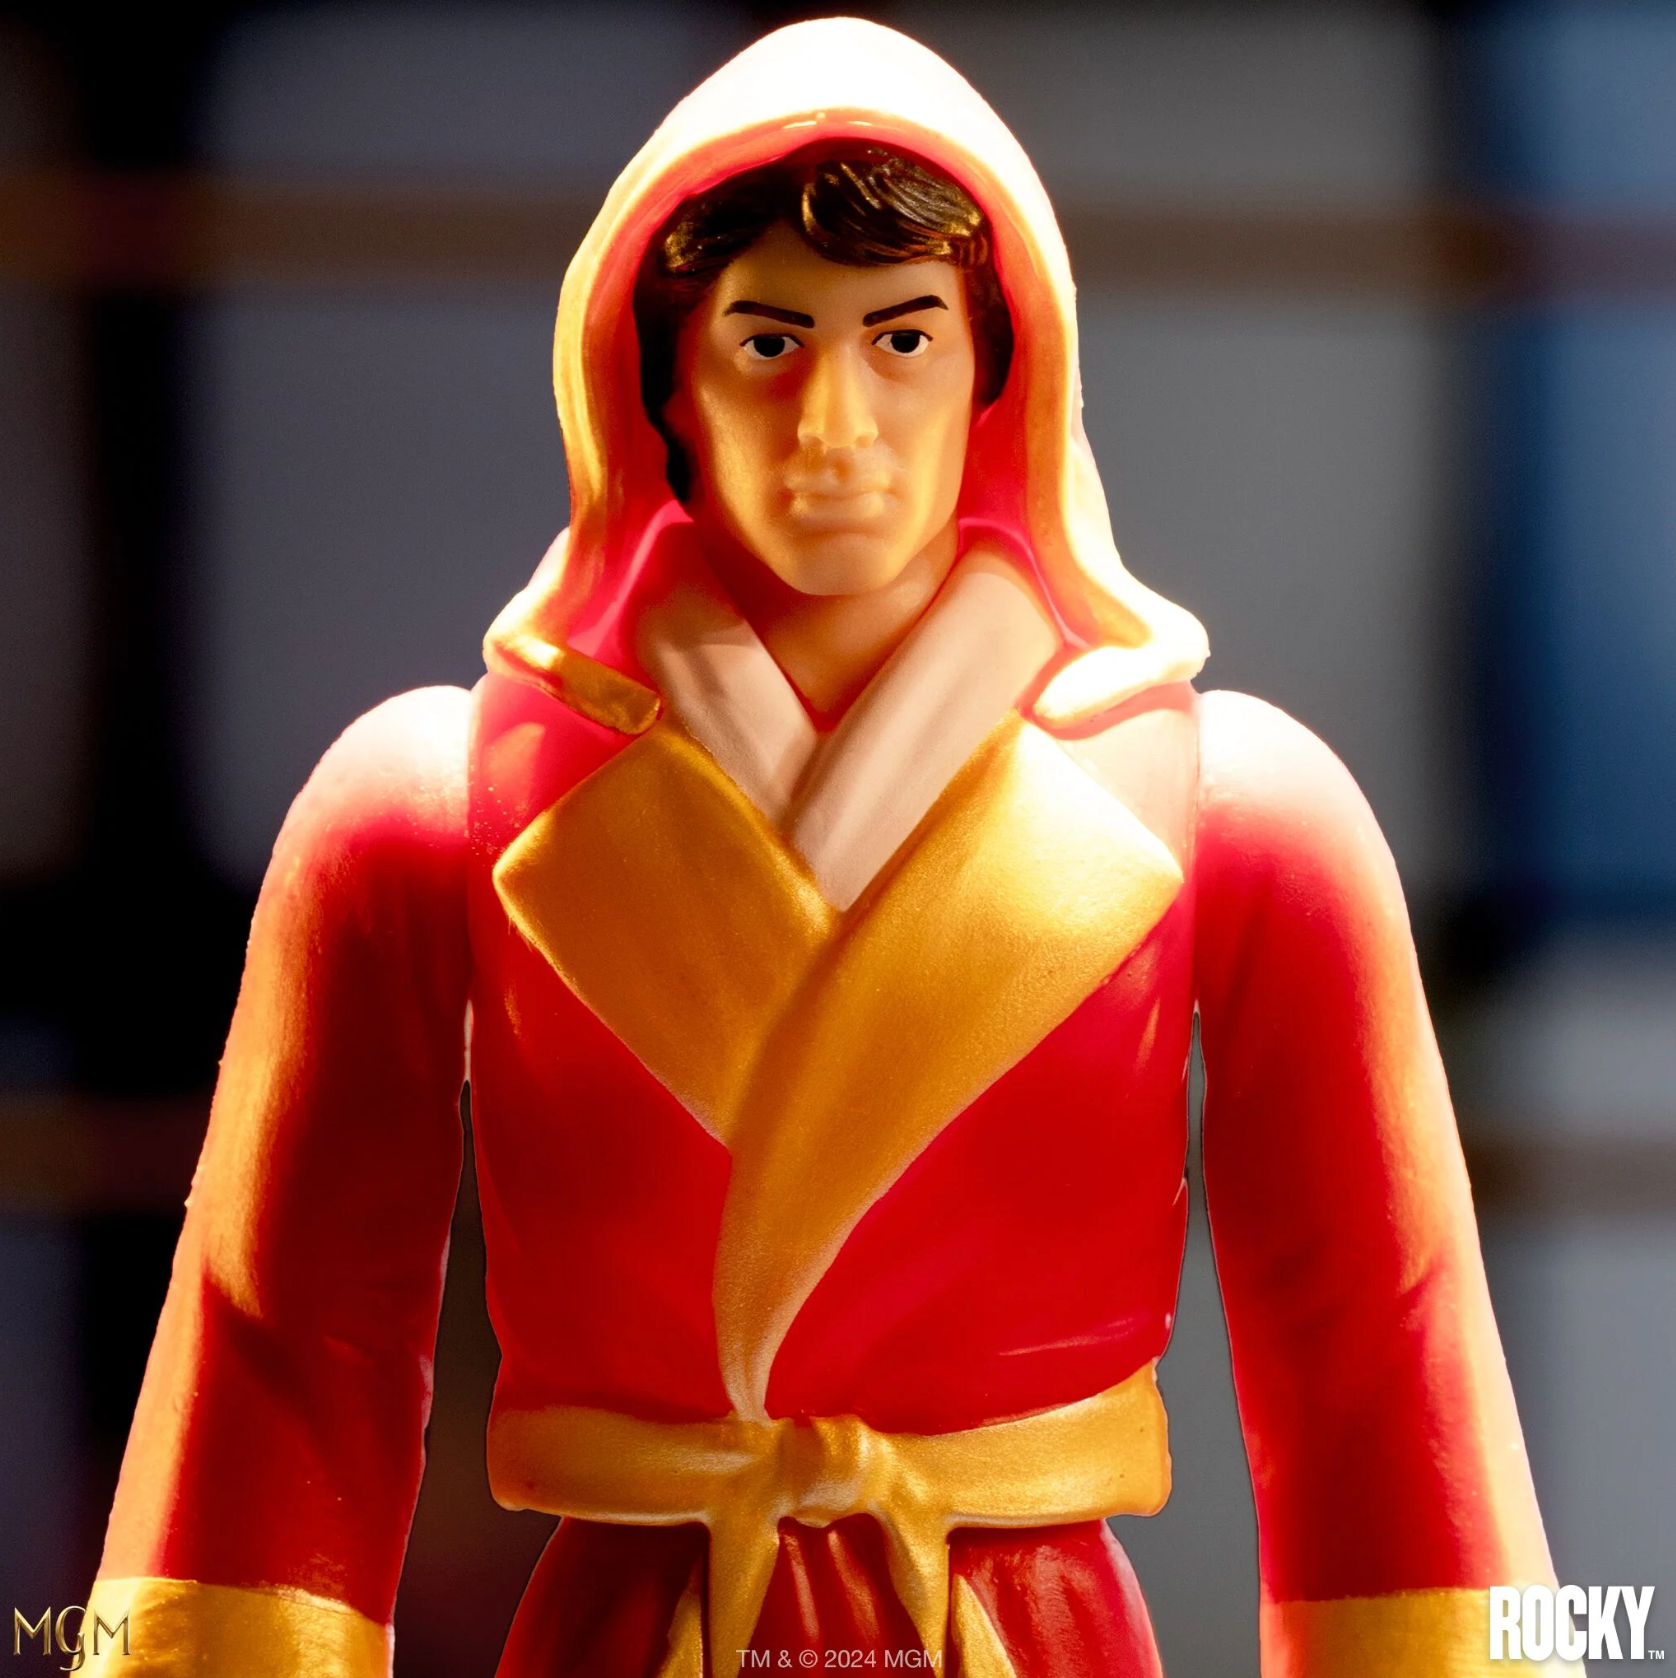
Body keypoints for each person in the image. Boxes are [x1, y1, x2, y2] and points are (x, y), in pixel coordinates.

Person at [85, 20, 1569, 1678]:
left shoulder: (1238, 815)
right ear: (660, 378)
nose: (834, 420)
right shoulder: (430, 810)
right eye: (769, 342)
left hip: (1023, 1636)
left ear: (1000, 367)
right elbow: (282, 1362)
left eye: (903, 337)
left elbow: (1382, 1372)